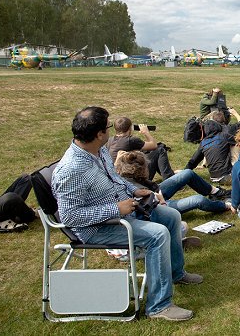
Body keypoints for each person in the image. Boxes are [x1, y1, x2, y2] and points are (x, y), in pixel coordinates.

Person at [51, 106, 202, 321]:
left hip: (120, 212)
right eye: (107, 128)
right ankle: (159, 306)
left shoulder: (97, 149)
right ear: (99, 134)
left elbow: (115, 178)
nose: (110, 131)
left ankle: (176, 273)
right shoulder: (71, 170)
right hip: (98, 228)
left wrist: (134, 189)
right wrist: (116, 209)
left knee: (172, 217)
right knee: (158, 235)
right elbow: (70, 217)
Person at [116, 151, 231, 216]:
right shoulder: (134, 188)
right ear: (141, 171)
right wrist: (161, 200)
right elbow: (155, 209)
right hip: (155, 206)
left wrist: (118, 161)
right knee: (198, 200)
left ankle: (216, 192)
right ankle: (226, 206)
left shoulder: (123, 175)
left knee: (187, 173)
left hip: (156, 193)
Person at [185, 109, 240, 184]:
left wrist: (184, 172)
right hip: (227, 176)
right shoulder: (224, 136)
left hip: (213, 178)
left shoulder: (203, 142)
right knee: (236, 144)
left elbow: (194, 161)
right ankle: (239, 168)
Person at [107, 117, 175, 181]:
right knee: (160, 150)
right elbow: (154, 145)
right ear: (130, 128)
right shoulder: (131, 140)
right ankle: (170, 178)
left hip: (118, 177)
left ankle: (169, 173)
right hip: (133, 179)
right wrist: (146, 132)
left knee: (149, 153)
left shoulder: (110, 140)